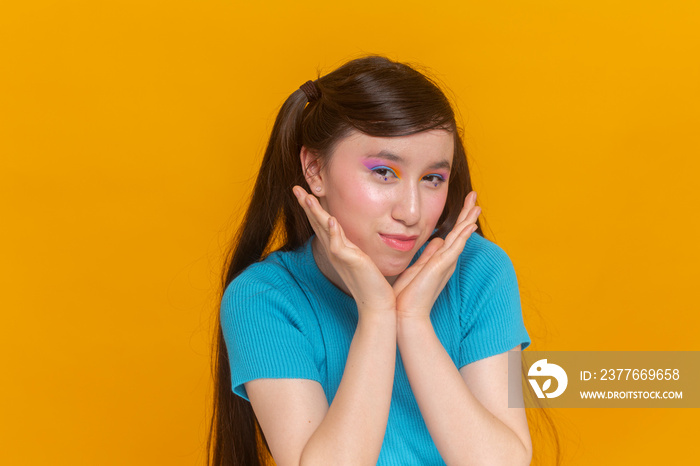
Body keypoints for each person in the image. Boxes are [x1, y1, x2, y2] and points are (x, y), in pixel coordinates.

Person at [207, 55, 532, 466]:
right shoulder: (264, 298)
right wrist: (377, 314)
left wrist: (413, 321)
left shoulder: (479, 271)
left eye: (433, 179)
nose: (412, 212)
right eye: (383, 172)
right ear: (314, 169)